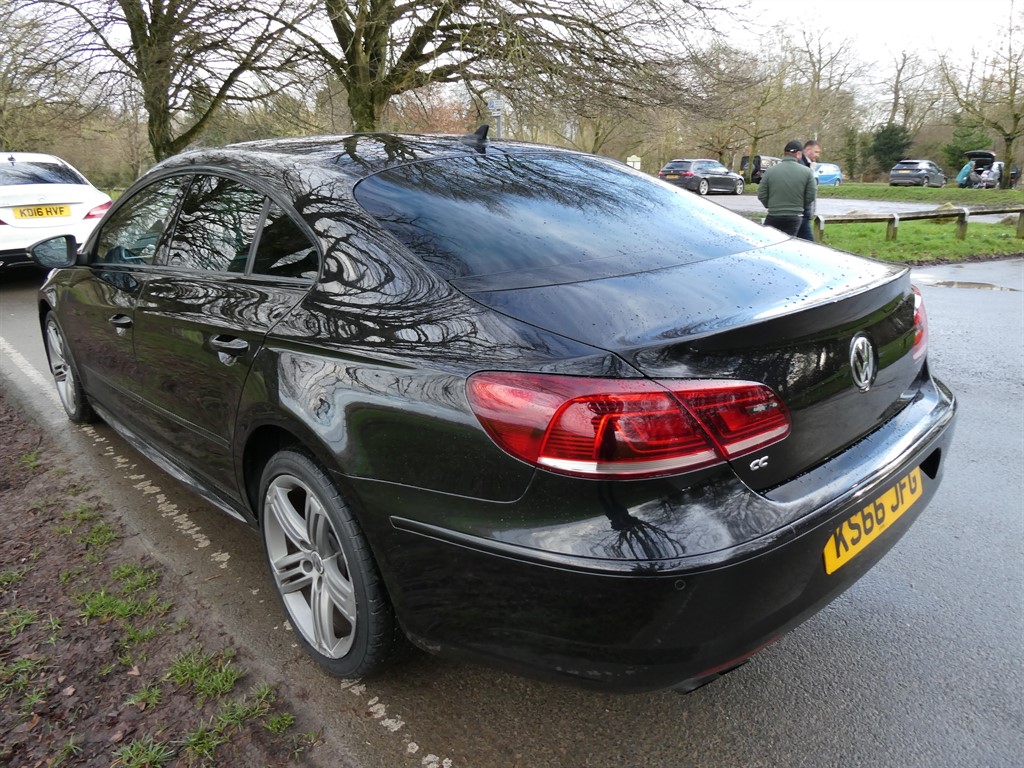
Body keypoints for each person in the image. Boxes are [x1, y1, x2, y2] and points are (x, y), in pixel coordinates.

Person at [757, 140, 816, 237]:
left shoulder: (769, 172)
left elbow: (762, 194)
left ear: (785, 154)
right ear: (798, 154)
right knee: (788, 243)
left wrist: (770, 205)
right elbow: (811, 195)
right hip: (794, 216)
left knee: (770, 243)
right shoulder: (807, 172)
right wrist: (800, 206)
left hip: (773, 215)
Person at [796, 140, 821, 240]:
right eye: (816, 152)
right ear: (807, 150)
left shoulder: (808, 164)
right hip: (802, 213)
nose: (817, 155)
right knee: (809, 243)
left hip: (804, 212)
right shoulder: (802, 165)